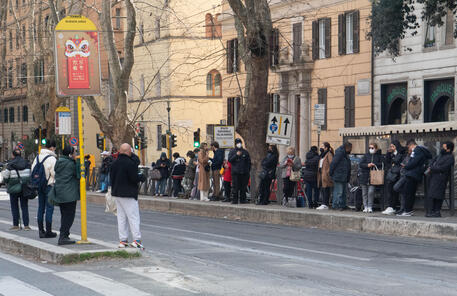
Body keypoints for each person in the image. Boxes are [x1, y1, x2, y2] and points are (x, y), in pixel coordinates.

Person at [110, 143, 146, 249]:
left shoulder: (114, 163)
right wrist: (141, 177)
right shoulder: (130, 163)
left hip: (117, 193)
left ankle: (123, 240)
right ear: (129, 151)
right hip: (128, 193)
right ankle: (137, 240)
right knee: (133, 217)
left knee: (121, 218)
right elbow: (134, 177)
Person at [49, 146, 80, 245]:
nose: (76, 154)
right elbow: (79, 175)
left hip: (60, 192)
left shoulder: (59, 162)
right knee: (69, 216)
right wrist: (80, 163)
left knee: (64, 215)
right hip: (69, 193)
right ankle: (63, 237)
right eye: (75, 153)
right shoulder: (70, 164)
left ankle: (64, 235)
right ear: (70, 154)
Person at [398, 139, 432, 216]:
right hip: (414, 174)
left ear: (411, 145)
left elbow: (414, 162)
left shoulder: (417, 150)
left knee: (409, 193)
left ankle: (408, 210)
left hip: (413, 174)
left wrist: (406, 166)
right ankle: (407, 210)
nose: (408, 149)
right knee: (409, 192)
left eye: (408, 147)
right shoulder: (419, 150)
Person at [32, 139, 57, 238]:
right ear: (52, 148)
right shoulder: (52, 159)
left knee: (40, 208)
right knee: (50, 208)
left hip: (39, 186)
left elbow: (32, 170)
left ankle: (41, 231)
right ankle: (49, 231)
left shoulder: (37, 157)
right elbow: (55, 173)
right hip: (49, 186)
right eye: (54, 148)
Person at [2, 149, 31, 231]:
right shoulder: (27, 163)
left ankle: (16, 225)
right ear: (21, 155)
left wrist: (9, 182)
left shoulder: (10, 165)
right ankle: (26, 225)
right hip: (24, 188)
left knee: (14, 206)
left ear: (13, 155)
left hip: (13, 189)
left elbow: (6, 177)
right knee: (24, 206)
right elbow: (29, 176)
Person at [426, 141, 454, 218]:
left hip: (441, 178)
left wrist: (432, 168)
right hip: (433, 177)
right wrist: (431, 166)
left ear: (449, 149)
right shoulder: (440, 155)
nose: (442, 148)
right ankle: (431, 211)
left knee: (438, 195)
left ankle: (436, 212)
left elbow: (444, 168)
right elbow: (432, 161)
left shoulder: (450, 157)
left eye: (444, 147)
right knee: (432, 194)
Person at [358, 143, 384, 213]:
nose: (370, 149)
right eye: (369, 148)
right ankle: (365, 206)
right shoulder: (366, 155)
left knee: (371, 192)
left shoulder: (379, 156)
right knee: (364, 192)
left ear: (376, 148)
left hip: (374, 176)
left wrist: (374, 164)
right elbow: (360, 164)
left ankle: (370, 206)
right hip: (365, 176)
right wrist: (367, 165)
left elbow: (382, 163)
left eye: (372, 148)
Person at [382, 140, 406, 215]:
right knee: (390, 191)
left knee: (395, 191)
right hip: (391, 175)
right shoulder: (391, 154)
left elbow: (397, 162)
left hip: (398, 175)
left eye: (393, 146)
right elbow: (387, 162)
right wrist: (388, 154)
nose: (391, 148)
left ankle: (394, 207)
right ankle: (391, 206)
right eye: (391, 146)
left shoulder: (401, 154)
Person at [329, 142, 352, 211]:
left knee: (343, 192)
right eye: (350, 148)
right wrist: (331, 173)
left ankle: (343, 205)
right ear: (347, 147)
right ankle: (336, 205)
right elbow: (333, 163)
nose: (351, 149)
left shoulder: (345, 154)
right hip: (339, 175)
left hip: (343, 175)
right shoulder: (340, 153)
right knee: (339, 191)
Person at [228, 139, 251, 204]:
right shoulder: (232, 151)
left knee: (243, 187)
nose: (239, 144)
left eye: (240, 143)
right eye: (238, 143)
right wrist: (236, 155)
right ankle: (234, 200)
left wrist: (247, 170)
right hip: (236, 173)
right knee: (235, 187)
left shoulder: (245, 152)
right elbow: (230, 160)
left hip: (244, 173)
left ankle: (243, 199)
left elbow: (248, 162)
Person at [316, 142, 334, 210]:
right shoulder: (322, 155)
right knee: (322, 189)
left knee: (326, 189)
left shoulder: (329, 154)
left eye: (323, 146)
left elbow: (331, 164)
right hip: (321, 174)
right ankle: (323, 203)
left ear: (326, 148)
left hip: (325, 174)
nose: (321, 147)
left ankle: (325, 204)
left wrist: (327, 172)